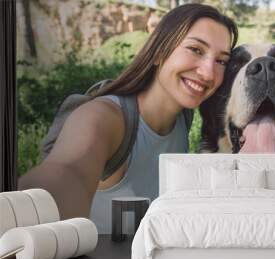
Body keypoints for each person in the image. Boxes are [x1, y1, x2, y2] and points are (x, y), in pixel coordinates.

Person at [18, 4, 238, 233]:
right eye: (195, 49)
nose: (209, 73)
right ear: (160, 51)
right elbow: (66, 171)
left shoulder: (183, 115)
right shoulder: (103, 117)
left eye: (221, 61)